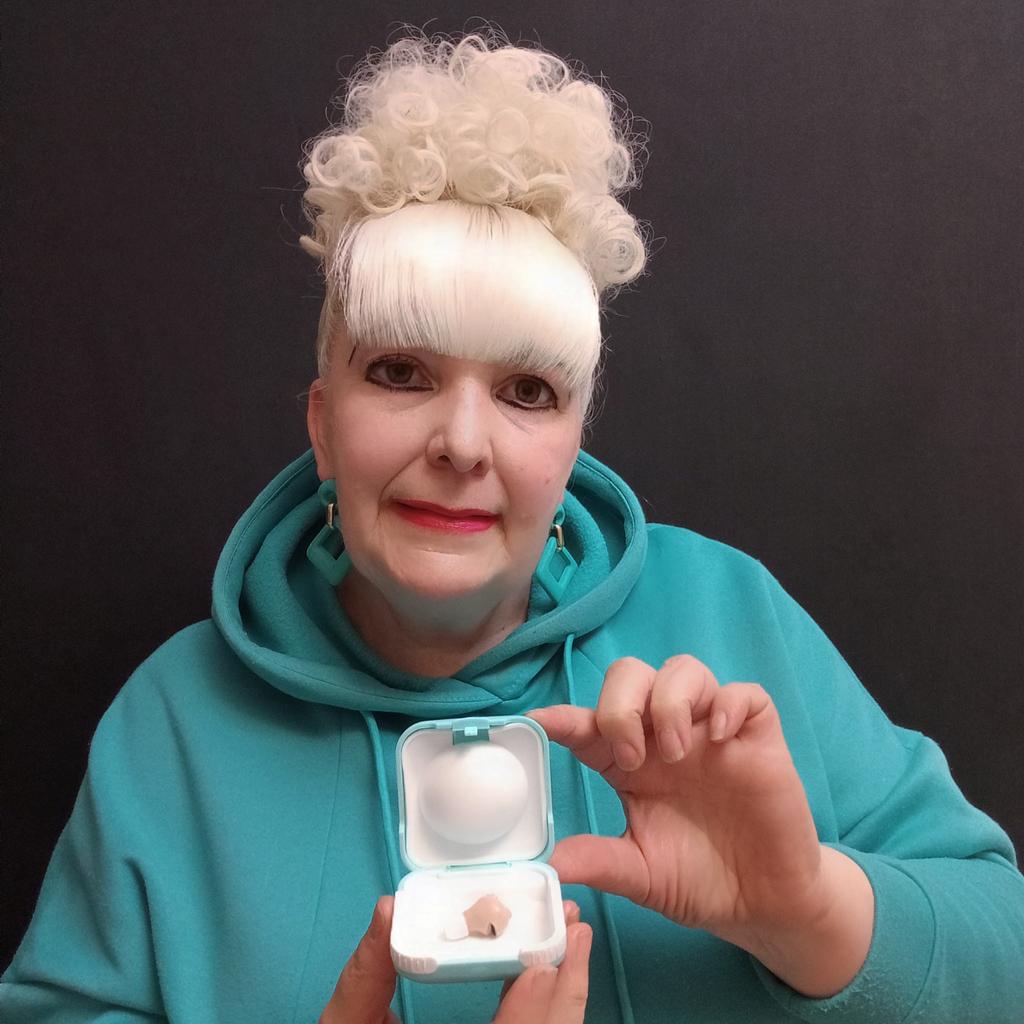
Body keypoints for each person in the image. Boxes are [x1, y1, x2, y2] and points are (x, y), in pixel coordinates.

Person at [2, 28, 1022, 1024]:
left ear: (574, 443)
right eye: (400, 371)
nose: (461, 442)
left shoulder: (733, 620)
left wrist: (806, 911)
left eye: (527, 390)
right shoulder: (176, 721)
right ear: (322, 424)